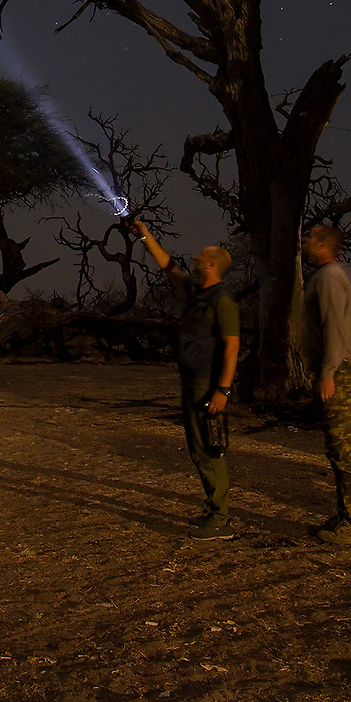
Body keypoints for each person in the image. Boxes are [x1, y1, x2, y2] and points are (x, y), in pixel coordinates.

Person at [130, 218, 241, 539]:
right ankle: (213, 510)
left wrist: (223, 390)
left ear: (210, 265)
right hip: (191, 380)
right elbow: (168, 266)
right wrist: (145, 235)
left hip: (207, 384)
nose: (193, 259)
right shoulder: (197, 292)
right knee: (197, 449)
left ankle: (220, 519)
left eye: (199, 257)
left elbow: (232, 348)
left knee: (208, 450)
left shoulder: (222, 301)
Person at [302, 223, 351, 545]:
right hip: (341, 368)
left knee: (344, 449)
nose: (304, 242)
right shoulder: (331, 276)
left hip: (339, 370)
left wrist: (327, 371)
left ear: (322, 245)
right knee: (337, 447)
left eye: (309, 239)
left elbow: (334, 329)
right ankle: (346, 515)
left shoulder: (328, 278)